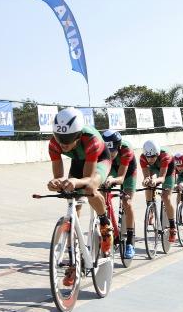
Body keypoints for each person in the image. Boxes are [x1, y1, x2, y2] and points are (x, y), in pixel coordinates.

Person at [47, 108, 113, 285]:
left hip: (99, 159)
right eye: (60, 139)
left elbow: (87, 179)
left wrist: (75, 182)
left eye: (68, 140)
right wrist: (55, 183)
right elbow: (59, 176)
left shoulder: (90, 139)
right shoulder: (53, 143)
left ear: (78, 135)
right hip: (78, 161)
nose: (63, 144)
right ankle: (74, 259)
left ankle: (105, 225)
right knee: (72, 201)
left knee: (90, 188)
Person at [101, 130, 137, 259]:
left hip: (127, 172)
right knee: (101, 194)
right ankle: (108, 231)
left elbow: (121, 178)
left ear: (119, 147)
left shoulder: (126, 150)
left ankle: (130, 241)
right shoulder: (100, 149)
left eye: (112, 152)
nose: (109, 155)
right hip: (112, 169)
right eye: (107, 152)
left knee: (127, 202)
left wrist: (112, 179)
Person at [139, 140, 177, 242]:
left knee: (166, 197)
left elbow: (162, 178)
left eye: (152, 157)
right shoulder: (143, 158)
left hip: (168, 172)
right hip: (155, 169)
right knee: (148, 186)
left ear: (157, 154)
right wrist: (146, 180)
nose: (150, 159)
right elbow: (146, 176)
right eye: (148, 157)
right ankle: (150, 210)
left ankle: (173, 227)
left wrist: (155, 180)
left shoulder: (165, 156)